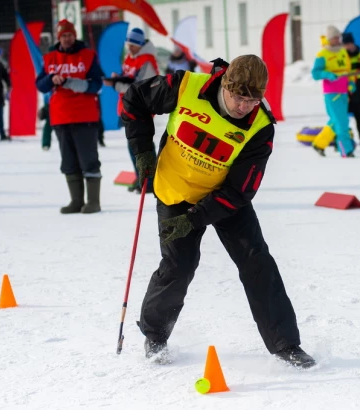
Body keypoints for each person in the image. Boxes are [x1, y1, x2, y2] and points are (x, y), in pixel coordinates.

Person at [121, 54, 316, 369]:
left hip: (223, 197)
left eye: (253, 100)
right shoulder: (185, 86)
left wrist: (195, 219)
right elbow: (134, 100)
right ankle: (155, 335)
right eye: (239, 97)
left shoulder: (261, 127)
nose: (244, 107)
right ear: (225, 84)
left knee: (257, 262)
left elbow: (241, 189)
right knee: (178, 265)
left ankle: (285, 344)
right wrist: (142, 150)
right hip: (175, 189)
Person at [36, 19, 104, 214]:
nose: (67, 38)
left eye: (70, 35)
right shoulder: (49, 58)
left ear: (75, 36)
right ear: (59, 37)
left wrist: (77, 84)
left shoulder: (88, 55)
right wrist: (51, 79)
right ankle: (76, 200)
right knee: (69, 161)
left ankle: (93, 202)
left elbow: (97, 83)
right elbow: (40, 84)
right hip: (60, 117)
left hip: (85, 116)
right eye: (63, 35)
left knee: (89, 159)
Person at [103, 27, 159, 193]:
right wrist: (117, 78)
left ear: (141, 45)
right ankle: (141, 178)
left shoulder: (147, 60)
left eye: (134, 45)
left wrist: (115, 84)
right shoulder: (130, 57)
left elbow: (140, 86)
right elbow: (129, 78)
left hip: (141, 109)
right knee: (132, 145)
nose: (130, 47)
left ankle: (150, 181)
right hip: (128, 106)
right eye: (129, 44)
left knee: (142, 144)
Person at [311, 26, 355, 157]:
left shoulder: (342, 51)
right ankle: (346, 150)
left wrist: (351, 82)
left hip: (343, 91)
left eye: (338, 37)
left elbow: (347, 69)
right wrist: (328, 75)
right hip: (331, 93)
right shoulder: (322, 54)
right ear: (329, 39)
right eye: (335, 38)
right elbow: (315, 73)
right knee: (342, 122)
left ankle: (319, 143)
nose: (337, 40)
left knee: (335, 120)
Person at [343, 32, 360, 150]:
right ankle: (343, 142)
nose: (348, 46)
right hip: (345, 88)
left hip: (358, 88)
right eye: (346, 44)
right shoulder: (342, 55)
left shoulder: (359, 54)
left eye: (350, 43)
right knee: (343, 119)